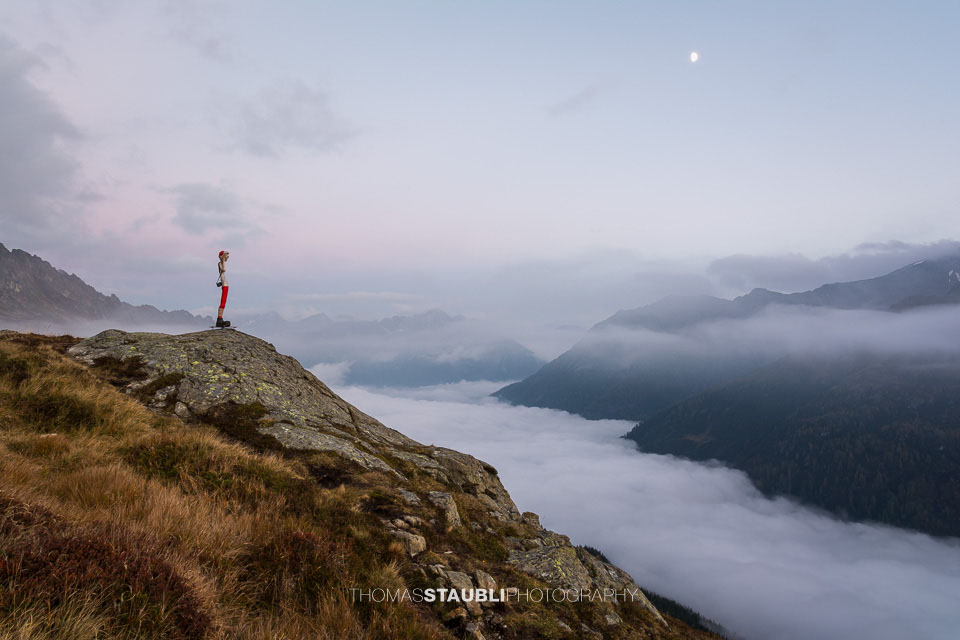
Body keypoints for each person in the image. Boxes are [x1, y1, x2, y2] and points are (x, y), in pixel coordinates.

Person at [216, 250, 231, 327]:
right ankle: (219, 319)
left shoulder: (221, 263)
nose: (227, 258)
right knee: (222, 303)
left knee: (223, 303)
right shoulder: (220, 264)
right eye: (226, 257)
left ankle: (220, 318)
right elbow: (224, 270)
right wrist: (223, 260)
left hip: (226, 285)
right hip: (224, 285)